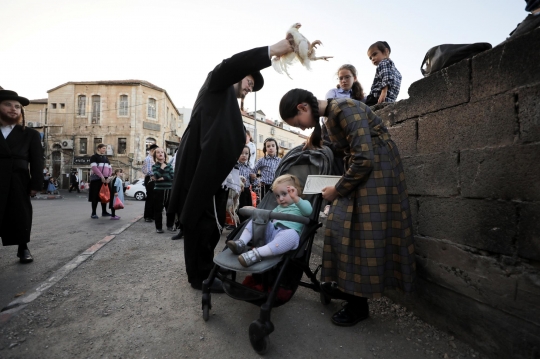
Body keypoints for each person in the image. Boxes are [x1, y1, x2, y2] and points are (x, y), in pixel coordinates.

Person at [279, 89, 415, 327]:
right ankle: (349, 290)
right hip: (364, 173)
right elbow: (339, 148)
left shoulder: (344, 108)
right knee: (341, 228)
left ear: (302, 107)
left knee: (361, 234)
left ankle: (358, 304)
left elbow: (364, 158)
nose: (300, 127)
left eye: (297, 123)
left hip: (377, 172)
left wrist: (337, 190)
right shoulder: (331, 117)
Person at [167, 38, 294, 292]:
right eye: (249, 82)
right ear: (238, 75)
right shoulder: (217, 84)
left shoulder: (229, 103)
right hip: (198, 166)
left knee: (211, 224)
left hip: (214, 174)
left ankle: (207, 267)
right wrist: (273, 51)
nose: (249, 88)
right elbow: (231, 65)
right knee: (199, 222)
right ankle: (199, 276)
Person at [227, 174, 312, 267]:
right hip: (270, 235)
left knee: (292, 235)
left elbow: (308, 211)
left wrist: (296, 198)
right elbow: (266, 216)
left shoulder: (301, 204)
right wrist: (255, 210)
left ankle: (256, 254)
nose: (281, 198)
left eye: (284, 194)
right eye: (277, 196)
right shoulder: (279, 207)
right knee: (257, 219)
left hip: (283, 239)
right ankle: (241, 243)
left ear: (295, 191)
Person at [0, 90, 44, 263]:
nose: (14, 109)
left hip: (17, 180)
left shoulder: (30, 134)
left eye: (18, 106)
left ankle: (23, 247)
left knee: (20, 215)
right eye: (8, 105)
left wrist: (36, 184)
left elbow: (37, 161)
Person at [365, 41, 402, 106]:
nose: (373, 59)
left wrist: (383, 92)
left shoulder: (383, 63)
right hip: (390, 100)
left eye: (374, 54)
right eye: (370, 58)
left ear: (386, 51)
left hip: (376, 98)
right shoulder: (397, 73)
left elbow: (386, 78)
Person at [152, 147, 175, 234]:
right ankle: (159, 228)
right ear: (155, 156)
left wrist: (163, 178)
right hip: (158, 191)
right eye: (158, 152)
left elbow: (172, 176)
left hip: (169, 190)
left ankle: (170, 225)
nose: (160, 153)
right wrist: (162, 167)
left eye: (162, 152)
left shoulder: (169, 165)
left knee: (170, 209)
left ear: (165, 154)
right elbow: (156, 175)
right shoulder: (154, 166)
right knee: (158, 210)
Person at [88, 143, 112, 219]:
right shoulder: (94, 157)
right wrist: (101, 176)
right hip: (96, 179)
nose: (105, 150)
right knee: (95, 196)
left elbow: (110, 168)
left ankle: (104, 212)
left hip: (105, 180)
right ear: (99, 148)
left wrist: (108, 177)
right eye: (103, 148)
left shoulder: (106, 158)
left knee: (104, 196)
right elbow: (94, 168)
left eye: (105, 148)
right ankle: (93, 213)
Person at [237, 145, 257, 223]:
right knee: (240, 209)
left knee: (248, 208)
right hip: (238, 191)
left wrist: (254, 178)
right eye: (241, 153)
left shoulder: (249, 167)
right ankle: (239, 225)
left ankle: (246, 224)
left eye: (246, 153)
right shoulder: (235, 166)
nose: (244, 155)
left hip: (246, 191)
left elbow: (253, 182)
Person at [142, 144, 158, 222]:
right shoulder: (149, 159)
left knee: (154, 198)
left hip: (154, 179)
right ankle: (148, 216)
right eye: (156, 151)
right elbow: (148, 171)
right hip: (150, 178)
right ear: (152, 150)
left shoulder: (154, 158)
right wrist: (154, 175)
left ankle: (152, 215)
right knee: (150, 198)